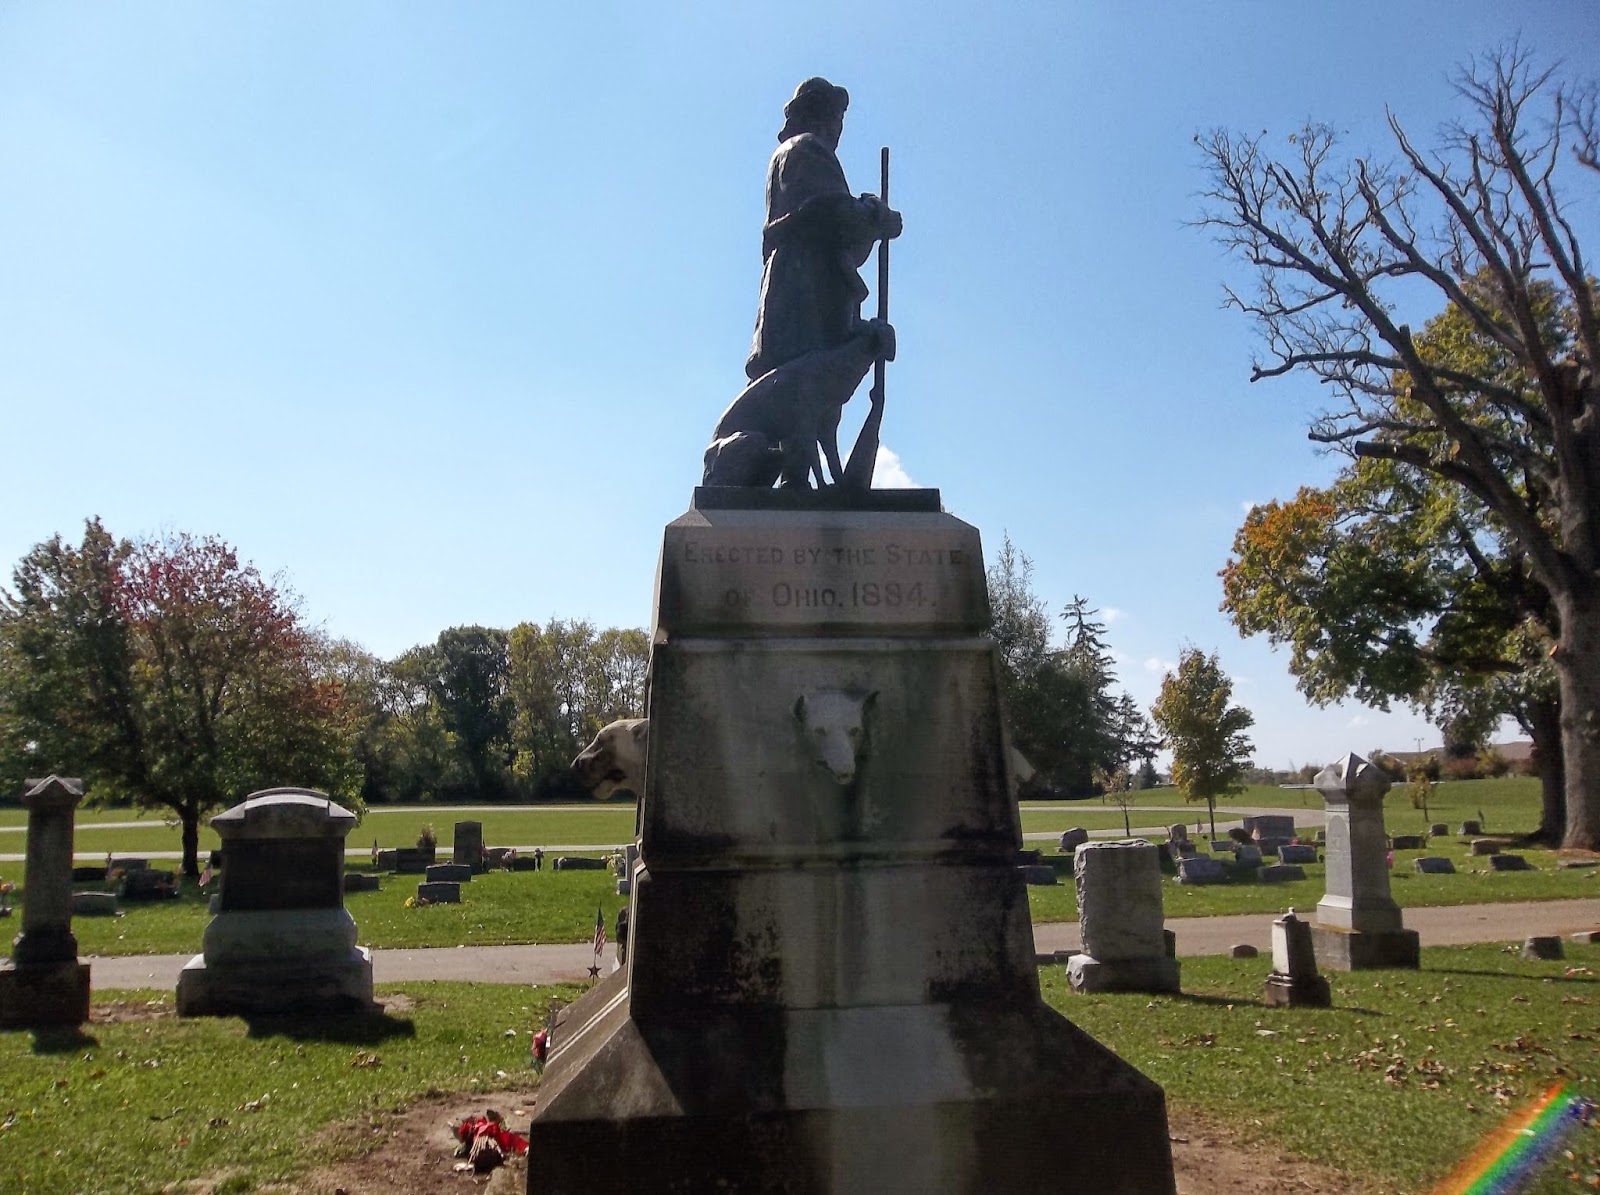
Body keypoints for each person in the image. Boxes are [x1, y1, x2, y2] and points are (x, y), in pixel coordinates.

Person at [745, 77, 901, 382]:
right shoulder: (804, 148)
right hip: (805, 293)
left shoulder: (791, 153)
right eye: (836, 117)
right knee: (803, 386)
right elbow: (834, 213)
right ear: (820, 115)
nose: (838, 128)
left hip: (802, 289)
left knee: (805, 397)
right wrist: (876, 216)